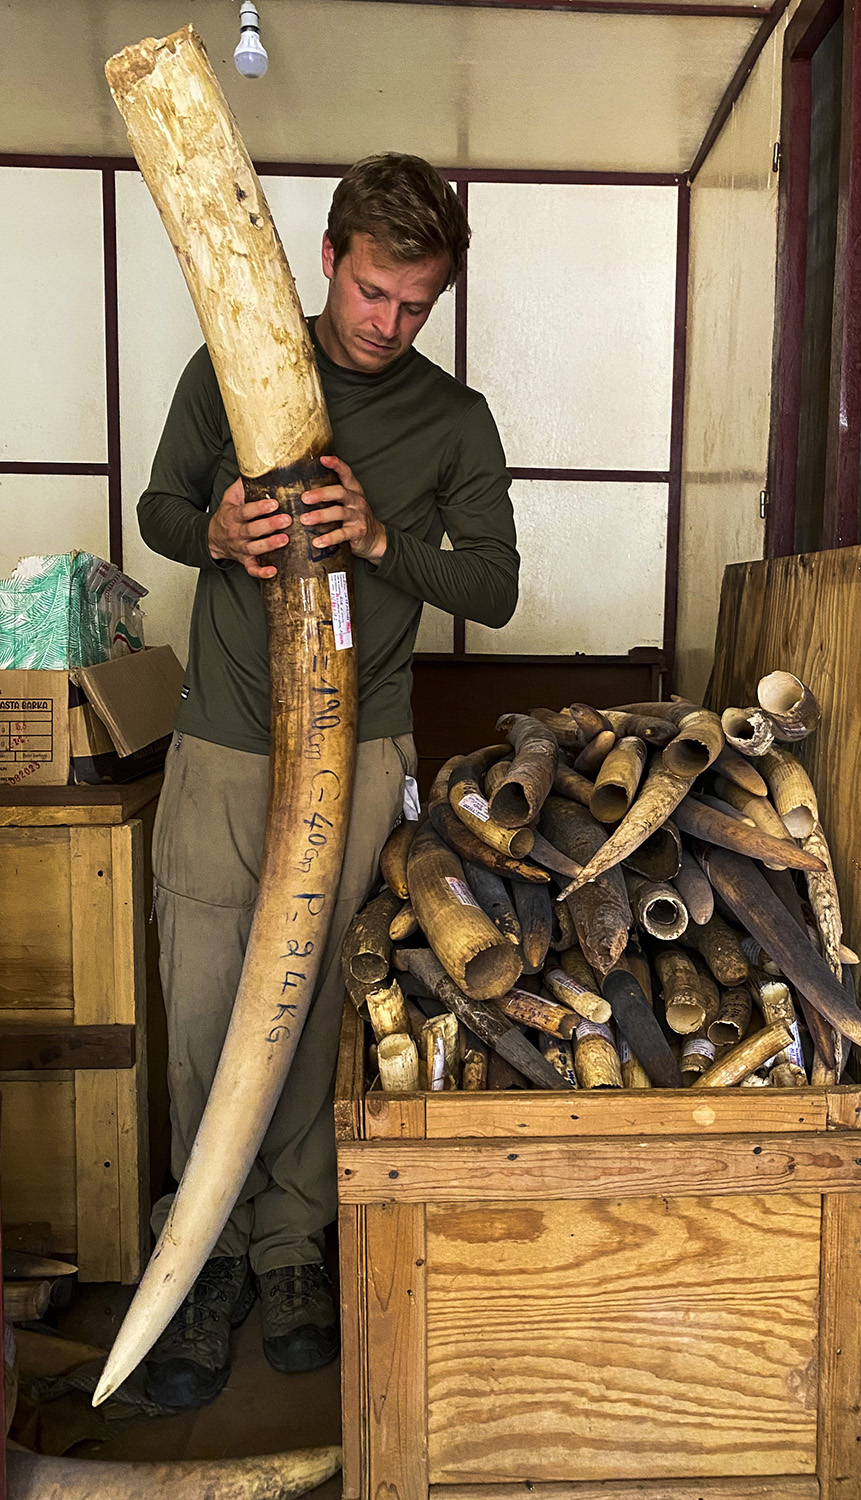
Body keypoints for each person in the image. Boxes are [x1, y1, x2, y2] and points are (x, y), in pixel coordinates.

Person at [137, 153, 519, 1408]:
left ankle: (295, 1250)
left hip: (362, 748)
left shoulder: (453, 421)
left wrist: (379, 541)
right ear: (327, 256)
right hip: (223, 739)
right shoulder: (235, 365)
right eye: (369, 292)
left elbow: (495, 589)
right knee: (204, 1002)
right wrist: (214, 530)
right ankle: (206, 1261)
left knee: (305, 1008)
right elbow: (158, 507)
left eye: (415, 305)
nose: (386, 325)